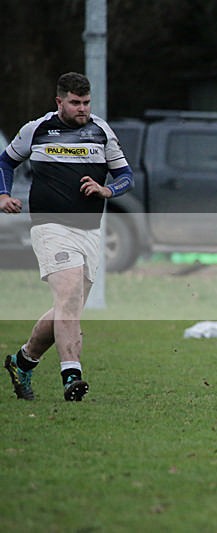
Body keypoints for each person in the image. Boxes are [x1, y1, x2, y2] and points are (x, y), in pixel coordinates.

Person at [1, 72, 134, 401]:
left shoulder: (101, 132)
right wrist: (3, 195)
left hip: (89, 231)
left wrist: (107, 189)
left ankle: (22, 361)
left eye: (86, 102)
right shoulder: (37, 129)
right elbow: (4, 162)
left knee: (67, 306)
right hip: (50, 227)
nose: (82, 109)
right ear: (59, 101)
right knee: (69, 295)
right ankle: (71, 375)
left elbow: (125, 175)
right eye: (75, 103)